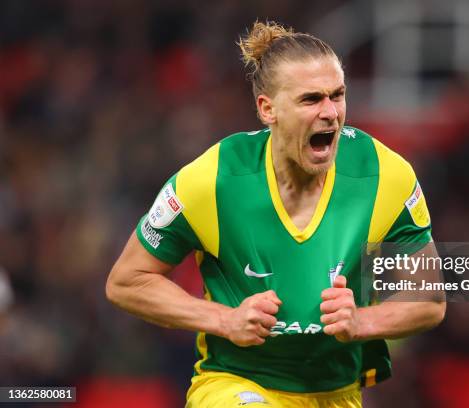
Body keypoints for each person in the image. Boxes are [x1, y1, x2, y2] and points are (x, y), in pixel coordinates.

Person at [106, 20, 445, 408]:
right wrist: (223, 320)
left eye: (338, 95)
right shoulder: (214, 180)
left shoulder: (385, 175)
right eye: (311, 99)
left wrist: (362, 322)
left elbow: (429, 300)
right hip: (235, 385)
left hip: (337, 394)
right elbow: (127, 281)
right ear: (268, 109)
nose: (331, 113)